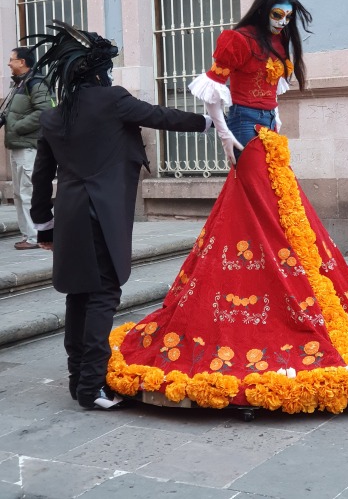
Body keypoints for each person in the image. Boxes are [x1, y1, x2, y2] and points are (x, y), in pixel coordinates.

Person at [107, 0, 348, 415]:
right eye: (278, 14)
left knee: (280, 210)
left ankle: (287, 282)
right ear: (264, 9)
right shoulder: (238, 41)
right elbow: (215, 93)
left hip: (268, 131)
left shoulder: (276, 43)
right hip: (246, 131)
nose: (283, 22)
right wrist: (227, 136)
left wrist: (276, 130)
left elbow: (274, 98)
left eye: (288, 16)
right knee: (264, 210)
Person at [29, 21, 212, 410]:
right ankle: (92, 388)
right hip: (100, 215)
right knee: (103, 295)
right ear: (97, 70)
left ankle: (78, 377)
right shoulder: (112, 99)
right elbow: (160, 116)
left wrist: (44, 226)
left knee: (78, 295)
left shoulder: (55, 115)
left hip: (70, 214)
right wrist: (210, 121)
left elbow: (41, 178)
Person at [0, 46, 53, 249]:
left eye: (11, 59)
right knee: (19, 194)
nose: (9, 63)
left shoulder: (36, 83)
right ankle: (28, 235)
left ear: (22, 62)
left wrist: (17, 127)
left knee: (28, 192)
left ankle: (35, 237)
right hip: (17, 145)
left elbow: (45, 111)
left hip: (29, 146)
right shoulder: (20, 84)